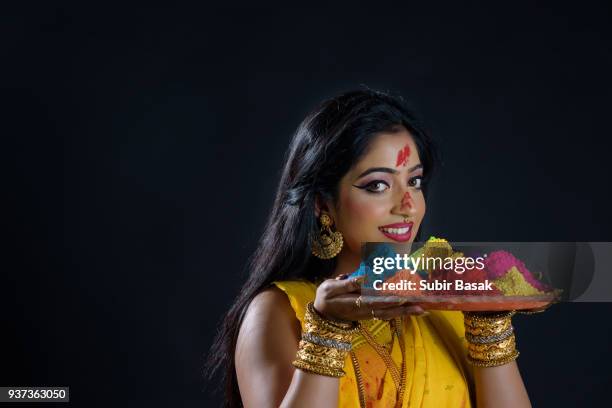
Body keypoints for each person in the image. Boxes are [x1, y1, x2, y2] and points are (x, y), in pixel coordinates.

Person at [207, 89, 532, 407]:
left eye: (414, 181)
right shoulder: (280, 312)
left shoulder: (449, 308)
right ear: (323, 204)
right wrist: (327, 332)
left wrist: (490, 324)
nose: (408, 205)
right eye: (378, 185)